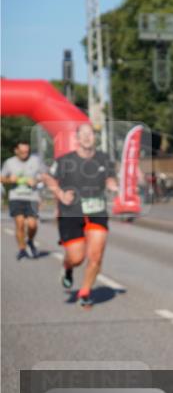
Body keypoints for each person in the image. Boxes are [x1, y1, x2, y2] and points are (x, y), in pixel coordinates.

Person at [44, 123, 118, 307]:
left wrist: (112, 185)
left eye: (90, 134)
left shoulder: (103, 158)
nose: (87, 137)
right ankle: (67, 267)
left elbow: (110, 177)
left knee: (96, 256)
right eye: (83, 134)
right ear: (76, 139)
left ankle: (84, 293)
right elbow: (48, 177)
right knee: (77, 258)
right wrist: (60, 194)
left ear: (95, 137)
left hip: (97, 212)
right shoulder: (65, 160)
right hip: (71, 213)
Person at [1, 140, 45, 259]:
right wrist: (10, 179)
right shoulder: (9, 163)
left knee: (32, 225)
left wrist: (36, 181)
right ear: (16, 151)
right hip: (16, 196)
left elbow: (45, 176)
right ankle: (22, 249)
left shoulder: (35, 161)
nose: (25, 154)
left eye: (27, 152)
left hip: (32, 197)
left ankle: (30, 241)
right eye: (22, 152)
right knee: (19, 223)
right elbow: (1, 177)